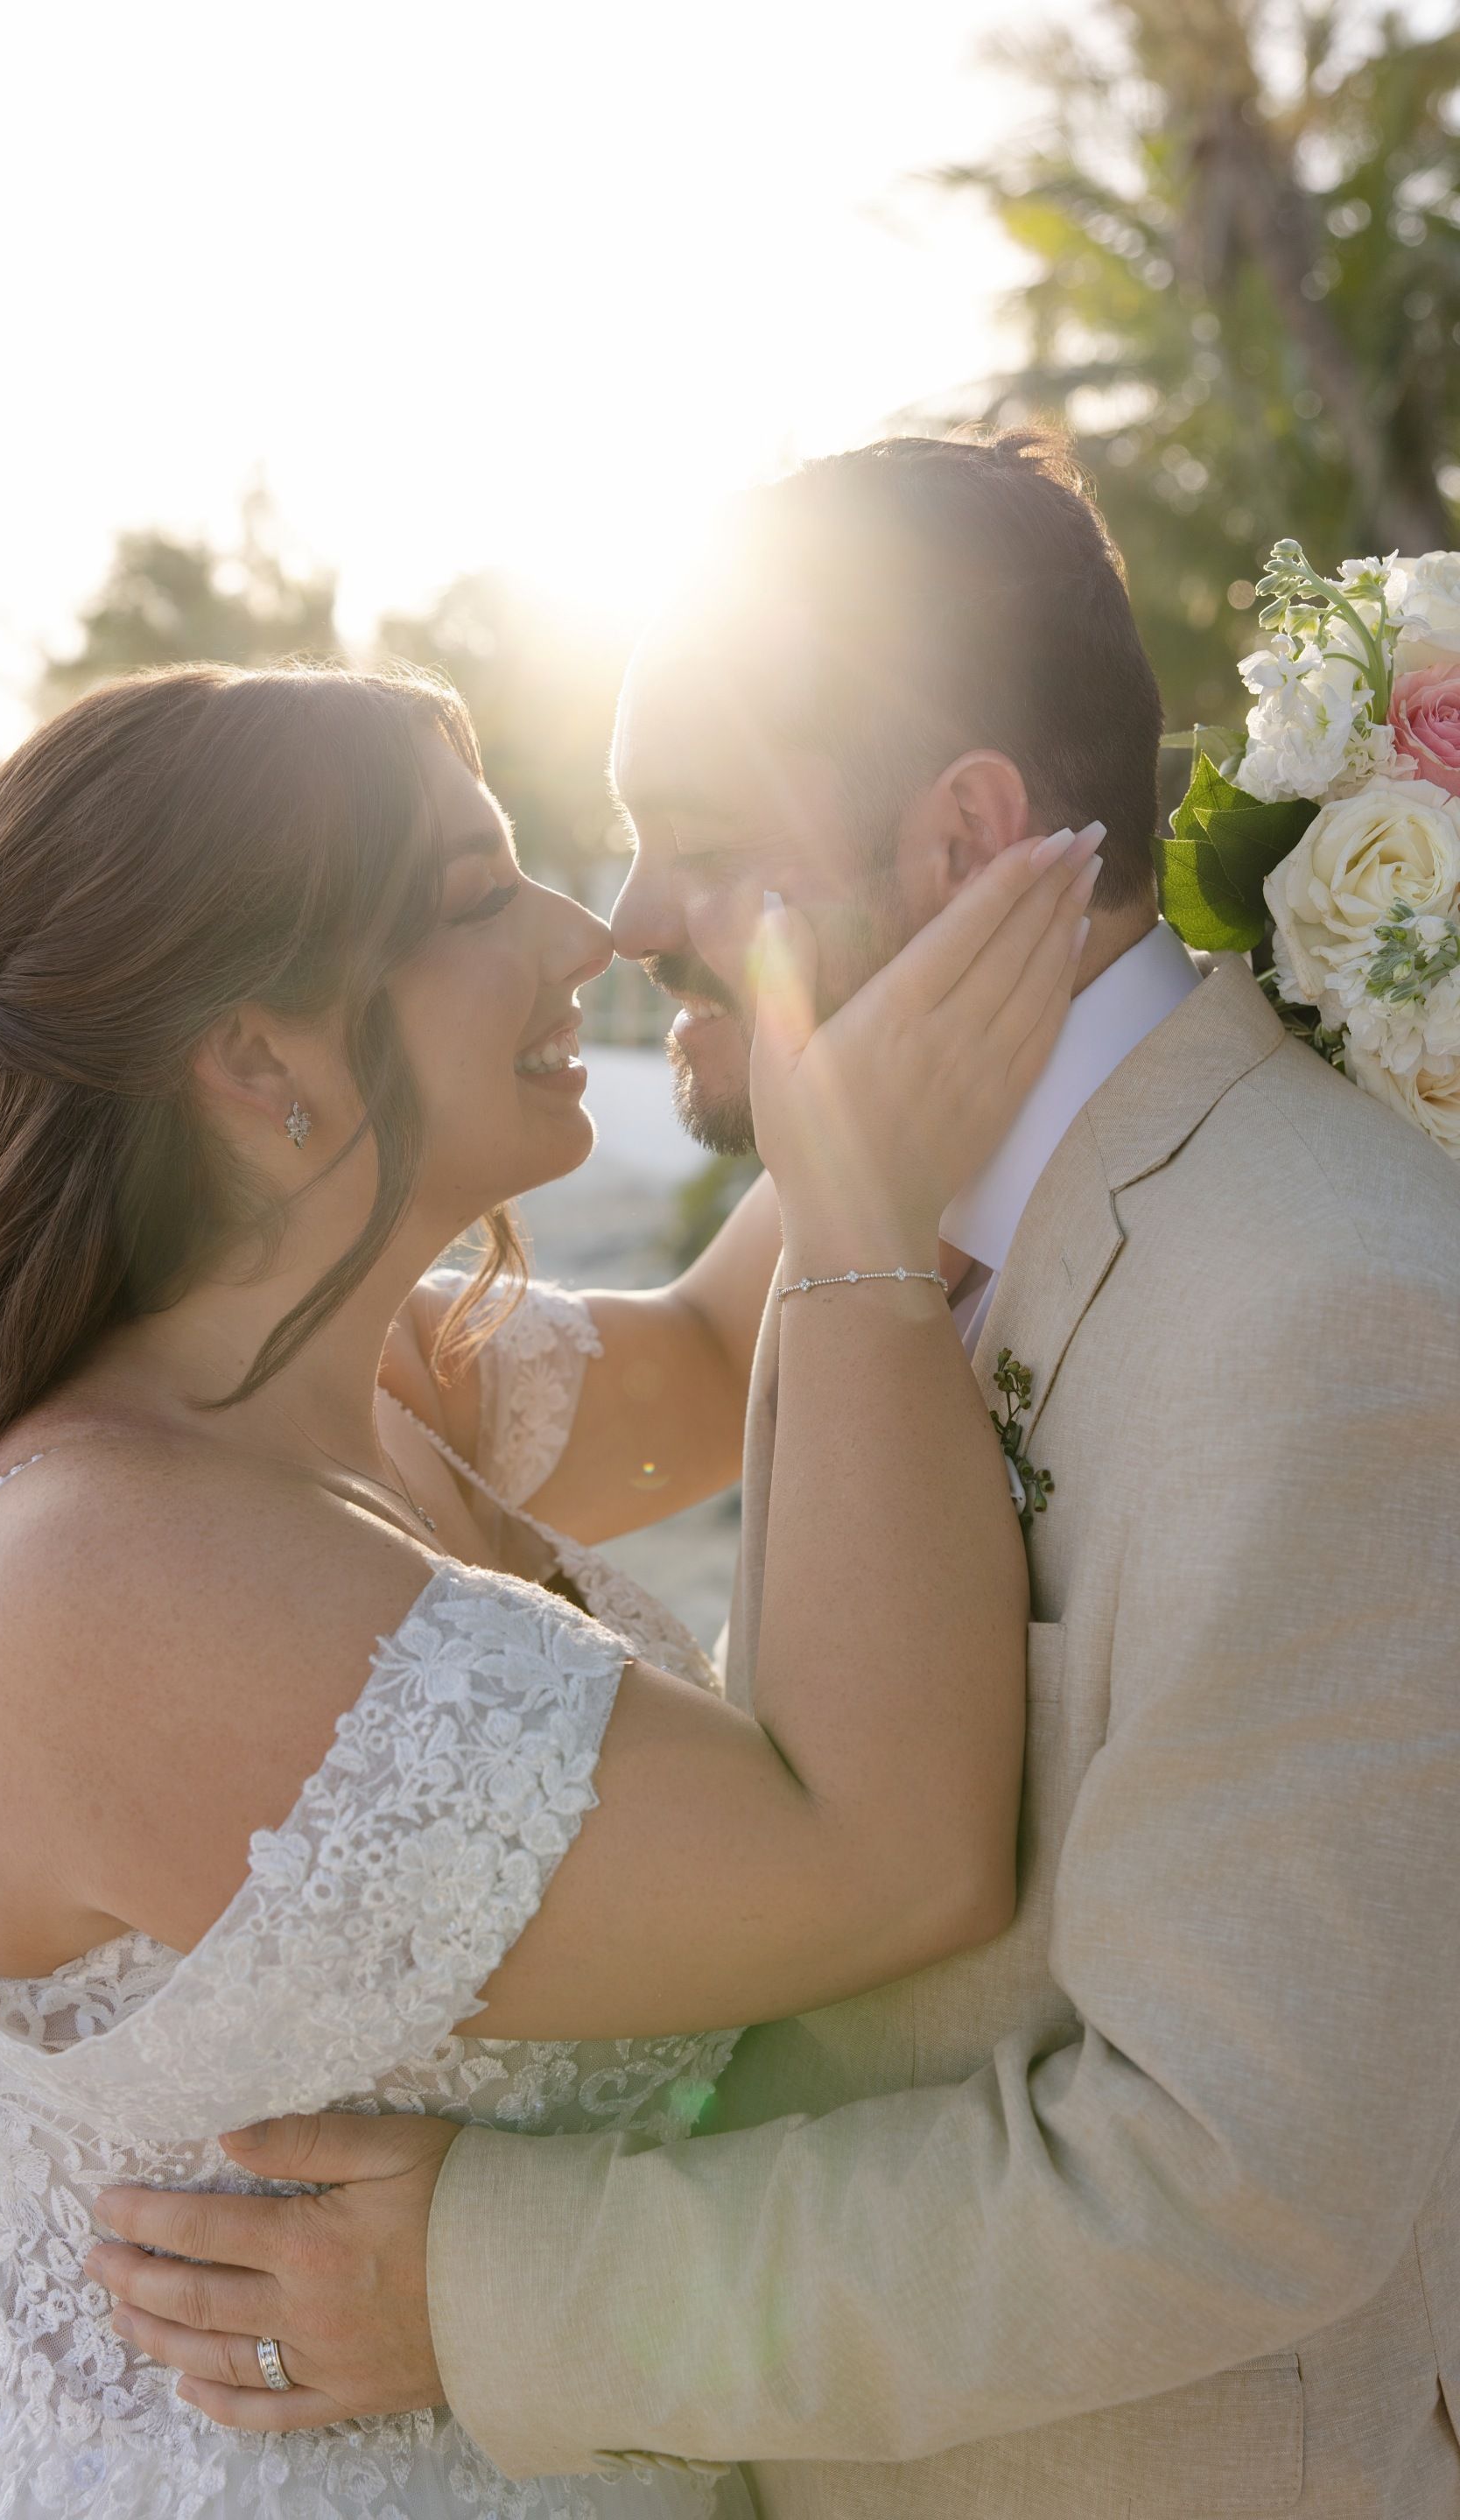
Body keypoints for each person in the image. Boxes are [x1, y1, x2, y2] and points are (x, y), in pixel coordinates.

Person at [102, 435, 1460, 2517]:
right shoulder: (869, 1203)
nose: (625, 916)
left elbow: (1231, 2178)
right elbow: (683, 1372)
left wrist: (490, 2289)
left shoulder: (1332, 1312)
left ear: (967, 835)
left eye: (703, 840)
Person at [0, 656, 1093, 2520]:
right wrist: (868, 1221)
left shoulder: (360, 1374)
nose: (584, 933)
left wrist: (915, 956)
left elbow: (721, 1358)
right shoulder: (109, 1578)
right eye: (481, 897)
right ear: (257, 1058)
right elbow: (894, 1858)